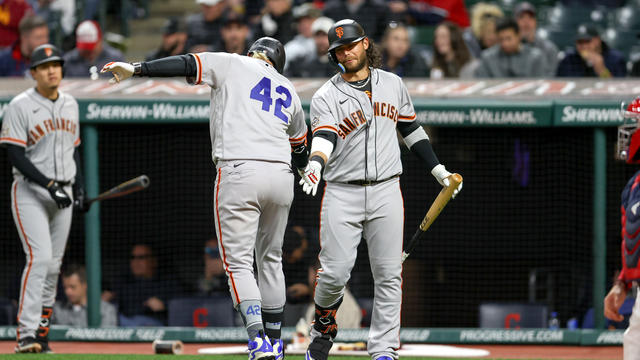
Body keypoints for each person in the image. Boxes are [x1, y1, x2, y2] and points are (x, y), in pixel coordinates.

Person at [101, 36, 309, 360]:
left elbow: (186, 62)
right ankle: (276, 342)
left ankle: (258, 342)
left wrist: (137, 68)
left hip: (241, 168)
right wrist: (305, 171)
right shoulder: (288, 87)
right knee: (270, 260)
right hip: (282, 177)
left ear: (254, 53)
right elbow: (300, 147)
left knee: (239, 263)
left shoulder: (234, 63)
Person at [297, 19, 461, 360]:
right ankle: (324, 325)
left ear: (366, 44)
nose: (347, 52)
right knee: (334, 275)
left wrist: (438, 168)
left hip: (387, 189)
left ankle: (384, 348)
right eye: (339, 49)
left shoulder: (393, 83)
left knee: (389, 274)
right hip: (343, 190)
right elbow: (325, 136)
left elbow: (410, 128)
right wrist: (316, 162)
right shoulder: (327, 94)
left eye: (352, 45)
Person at [0, 43, 86, 353]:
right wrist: (49, 184)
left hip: (62, 190)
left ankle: (42, 334)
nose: (52, 70)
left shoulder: (71, 104)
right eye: (45, 66)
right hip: (30, 191)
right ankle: (25, 334)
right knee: (39, 259)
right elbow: (15, 154)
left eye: (56, 64)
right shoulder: (20, 105)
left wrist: (79, 189)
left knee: (54, 266)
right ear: (33, 72)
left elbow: (73, 148)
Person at [605, 96, 640, 360]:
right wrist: (622, 284)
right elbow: (632, 240)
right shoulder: (633, 185)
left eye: (636, 122)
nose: (629, 131)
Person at [106, 243, 182, 326]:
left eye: (141, 257)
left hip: (154, 326)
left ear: (154, 261)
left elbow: (182, 309)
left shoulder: (168, 282)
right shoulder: (123, 282)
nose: (136, 262)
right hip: (126, 325)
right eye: (133, 258)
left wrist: (164, 306)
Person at [474, 18, 546, 78]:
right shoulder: (487, 58)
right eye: (501, 39)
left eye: (508, 38)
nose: (505, 44)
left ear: (518, 36)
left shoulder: (536, 58)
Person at [52, 264, 118, 327]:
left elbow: (106, 337)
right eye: (65, 287)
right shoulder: (57, 309)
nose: (68, 292)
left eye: (72, 287)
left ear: (85, 285)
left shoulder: (105, 310)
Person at [556, 23, 627, 78]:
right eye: (580, 42)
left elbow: (618, 88)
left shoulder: (615, 59)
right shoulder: (568, 59)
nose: (584, 46)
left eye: (587, 41)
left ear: (598, 40)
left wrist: (602, 70)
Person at [513, 2, 558, 77]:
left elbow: (550, 78)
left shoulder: (549, 49)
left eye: (530, 17)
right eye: (521, 17)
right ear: (514, 22)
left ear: (535, 22)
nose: (526, 21)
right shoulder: (508, 48)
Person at [322, 0, 389, 42]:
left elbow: (382, 35)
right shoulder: (331, 9)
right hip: (340, 50)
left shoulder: (379, 8)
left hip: (370, 51)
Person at [283, 2, 322, 72]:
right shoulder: (292, 47)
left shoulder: (329, 41)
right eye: (301, 22)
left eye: (309, 21)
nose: (305, 25)